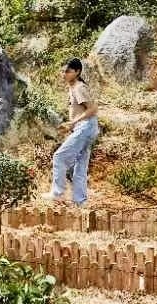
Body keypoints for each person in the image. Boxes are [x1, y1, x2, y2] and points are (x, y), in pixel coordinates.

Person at [42, 58, 100, 207]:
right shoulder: (74, 87)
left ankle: (57, 193)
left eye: (68, 71)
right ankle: (80, 202)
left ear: (77, 72)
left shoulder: (79, 87)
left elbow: (92, 109)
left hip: (85, 127)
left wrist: (73, 122)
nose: (64, 74)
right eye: (63, 71)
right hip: (87, 128)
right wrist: (72, 125)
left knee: (59, 157)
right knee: (80, 166)